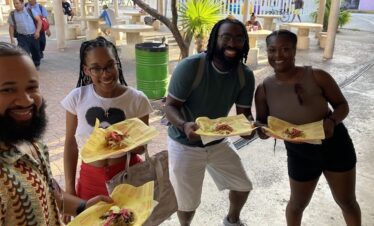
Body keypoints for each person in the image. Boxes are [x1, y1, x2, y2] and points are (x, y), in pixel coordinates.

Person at [254, 30, 361, 226]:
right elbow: (261, 124)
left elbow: (342, 106)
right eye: (272, 50)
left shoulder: (317, 76)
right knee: (297, 204)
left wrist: (332, 121)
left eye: (286, 49)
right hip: (299, 152)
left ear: (295, 51)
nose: (278, 55)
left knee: (346, 201)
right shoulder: (264, 89)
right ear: (267, 52)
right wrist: (263, 131)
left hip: (334, 145)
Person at [0, 42, 113, 225]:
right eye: (7, 89)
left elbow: (45, 192)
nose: (26, 100)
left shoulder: (33, 144)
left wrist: (83, 207)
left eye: (31, 87)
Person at [164, 17, 255, 226]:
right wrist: (184, 125)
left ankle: (232, 220)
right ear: (215, 39)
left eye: (239, 39)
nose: (232, 44)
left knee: (242, 185)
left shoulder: (245, 75)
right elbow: (170, 107)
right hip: (184, 143)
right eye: (226, 37)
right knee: (188, 203)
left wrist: (251, 128)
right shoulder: (191, 67)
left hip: (217, 142)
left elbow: (244, 116)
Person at [61, 36, 152, 211]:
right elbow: (71, 144)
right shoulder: (77, 98)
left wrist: (122, 142)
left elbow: (141, 147)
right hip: (90, 180)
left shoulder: (137, 100)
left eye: (110, 65)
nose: (106, 73)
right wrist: (70, 188)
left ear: (117, 63)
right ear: (86, 70)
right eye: (96, 68)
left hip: (128, 176)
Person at [8, 0, 42, 69]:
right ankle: (27, 67)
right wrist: (11, 38)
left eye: (17, 3)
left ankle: (36, 63)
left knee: (36, 52)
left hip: (33, 36)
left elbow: (39, 21)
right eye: (14, 3)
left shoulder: (30, 10)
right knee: (23, 53)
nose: (15, 5)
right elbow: (11, 26)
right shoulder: (12, 14)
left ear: (22, 3)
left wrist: (37, 31)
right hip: (22, 37)